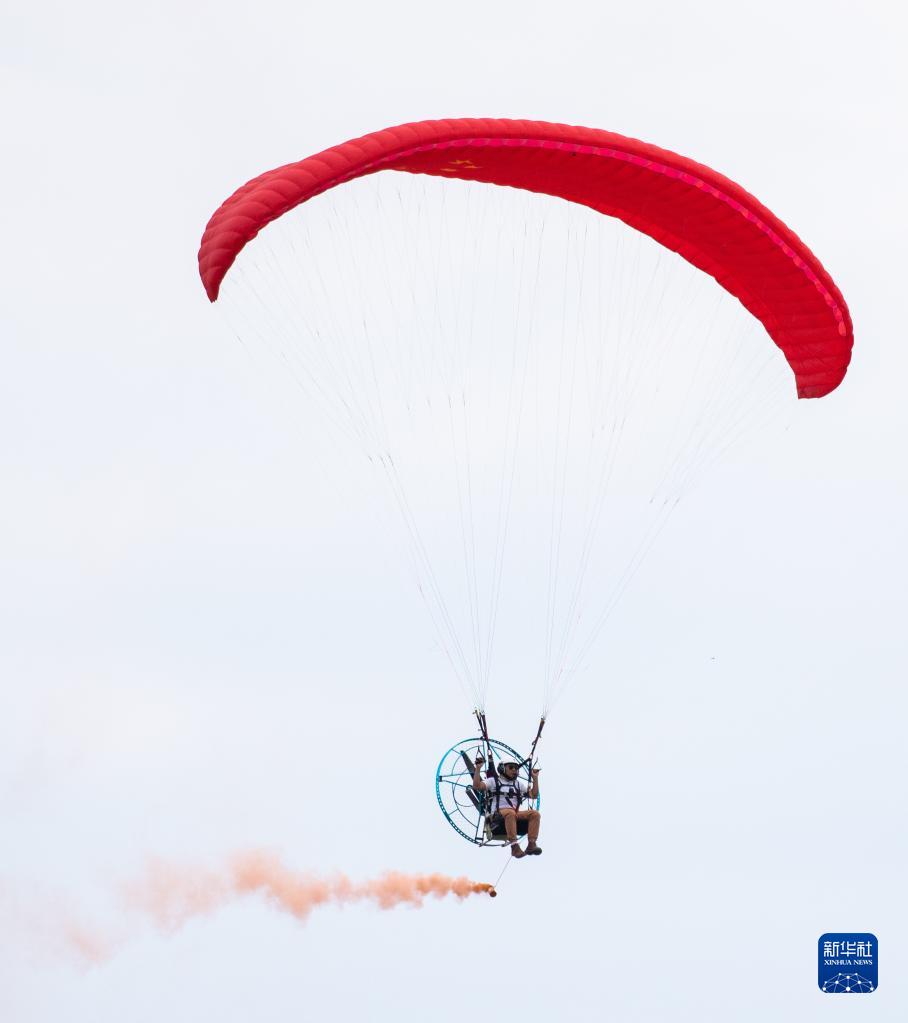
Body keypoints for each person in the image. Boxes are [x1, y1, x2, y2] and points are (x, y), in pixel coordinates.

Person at [472, 756, 541, 858]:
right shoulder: (493, 781)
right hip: (497, 816)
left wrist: (535, 778)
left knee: (535, 814)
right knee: (510, 813)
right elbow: (477, 786)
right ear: (502, 768)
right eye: (511, 767)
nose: (514, 770)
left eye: (516, 768)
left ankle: (531, 844)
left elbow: (534, 795)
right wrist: (478, 769)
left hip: (513, 814)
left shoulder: (518, 784)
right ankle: (514, 847)